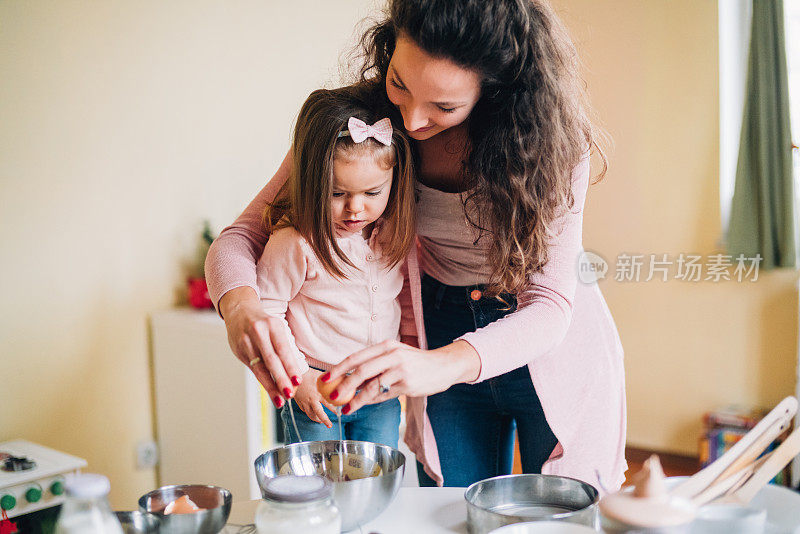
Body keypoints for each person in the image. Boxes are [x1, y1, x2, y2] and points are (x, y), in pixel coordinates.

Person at [206, 0, 627, 491]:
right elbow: (240, 238)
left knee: (558, 511)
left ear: (496, 90)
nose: (410, 120)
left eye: (444, 107)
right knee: (450, 509)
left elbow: (551, 304)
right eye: (399, 84)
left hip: (544, 340)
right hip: (439, 321)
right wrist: (240, 306)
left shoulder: (550, 142)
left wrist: (438, 365)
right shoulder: (364, 128)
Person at [255, 87, 417, 447]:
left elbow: (402, 303)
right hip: (315, 389)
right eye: (337, 194)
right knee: (317, 490)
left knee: (376, 482)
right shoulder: (295, 243)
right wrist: (297, 380)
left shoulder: (393, 235)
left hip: (378, 394)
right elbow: (266, 312)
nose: (355, 209)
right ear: (312, 185)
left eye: (372, 193)